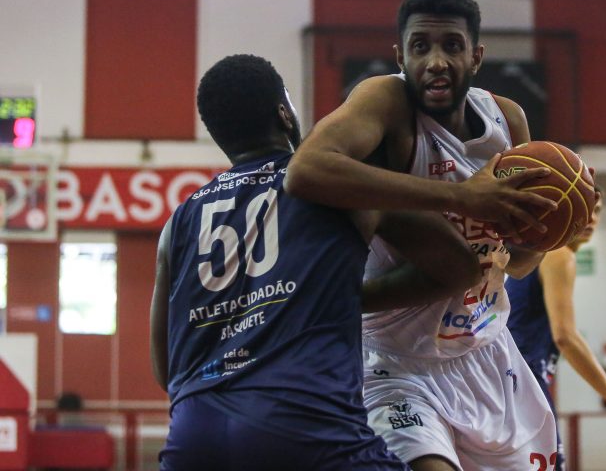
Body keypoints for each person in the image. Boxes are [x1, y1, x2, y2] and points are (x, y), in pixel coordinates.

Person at [149, 54, 486, 470]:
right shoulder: (335, 185)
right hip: (305, 427)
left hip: (194, 439)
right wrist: (346, 298)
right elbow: (459, 267)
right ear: (284, 114)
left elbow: (166, 368)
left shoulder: (178, 223)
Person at [286, 0, 560, 471]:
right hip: (395, 362)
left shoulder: (507, 120)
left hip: (487, 352)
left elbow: (520, 263)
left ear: (475, 57)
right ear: (400, 56)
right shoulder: (386, 100)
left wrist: (555, 227)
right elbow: (305, 170)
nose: (436, 61)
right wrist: (460, 197)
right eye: (420, 47)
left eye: (452, 46)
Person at [505, 189, 606, 470]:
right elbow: (565, 337)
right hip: (523, 377)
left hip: (509, 376)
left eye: (598, 211)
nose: (592, 218)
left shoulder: (540, 253)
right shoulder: (559, 255)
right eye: (585, 209)